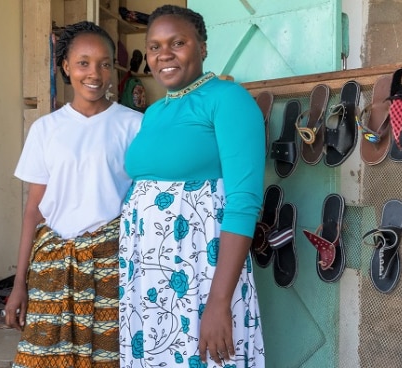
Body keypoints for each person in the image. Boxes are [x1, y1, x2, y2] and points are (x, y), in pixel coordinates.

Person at [118, 5, 266, 368]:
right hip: (149, 276)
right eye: (153, 46)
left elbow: (244, 203)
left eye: (177, 42)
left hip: (201, 273)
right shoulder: (154, 112)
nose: (163, 55)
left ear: (202, 47)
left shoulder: (228, 100)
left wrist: (218, 302)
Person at [4, 21, 143, 367]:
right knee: (42, 357)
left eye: (104, 63)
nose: (94, 73)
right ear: (66, 66)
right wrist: (19, 282)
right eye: (83, 62)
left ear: (113, 68)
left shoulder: (134, 126)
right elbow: (34, 210)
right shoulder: (46, 130)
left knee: (108, 357)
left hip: (112, 265)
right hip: (52, 266)